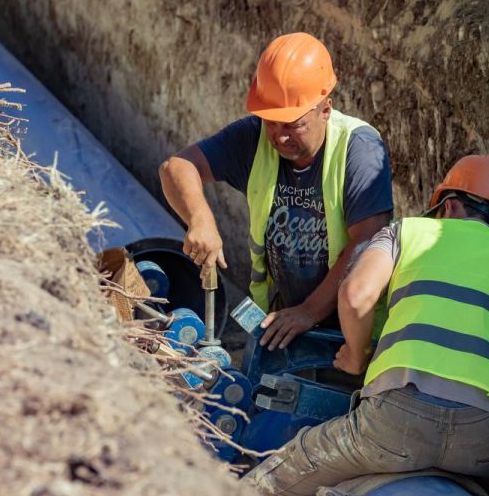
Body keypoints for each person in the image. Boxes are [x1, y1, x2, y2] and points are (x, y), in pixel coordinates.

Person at [244, 155, 489, 496]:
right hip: (487, 439)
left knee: (285, 472)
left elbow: (355, 295)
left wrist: (354, 357)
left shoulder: (408, 232)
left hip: (391, 425)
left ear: (450, 205)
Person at [159, 32, 393, 350]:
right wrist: (199, 218)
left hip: (350, 335)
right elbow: (176, 167)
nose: (279, 137)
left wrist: (308, 312)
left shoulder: (358, 149)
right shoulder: (253, 139)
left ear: (325, 109)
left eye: (292, 124)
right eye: (271, 122)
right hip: (280, 323)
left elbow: (368, 241)